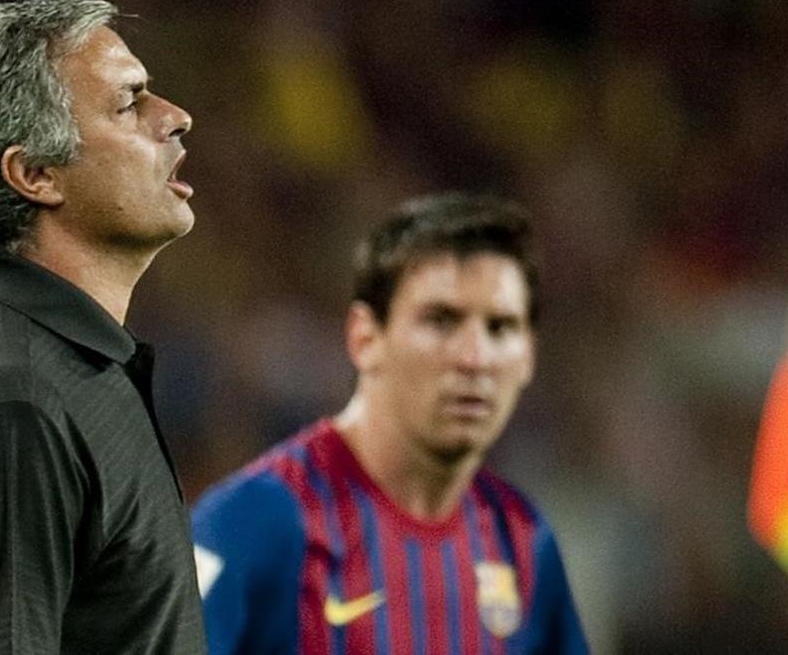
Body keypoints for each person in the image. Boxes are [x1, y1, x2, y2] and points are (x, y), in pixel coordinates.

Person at [0, 0, 205, 654]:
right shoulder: (15, 397)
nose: (175, 116)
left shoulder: (44, 357)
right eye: (128, 103)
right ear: (35, 173)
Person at [191, 193, 587, 654]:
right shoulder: (254, 521)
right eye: (441, 320)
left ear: (529, 358)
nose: (475, 358)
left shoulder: (520, 539)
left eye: (500, 328)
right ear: (365, 338)